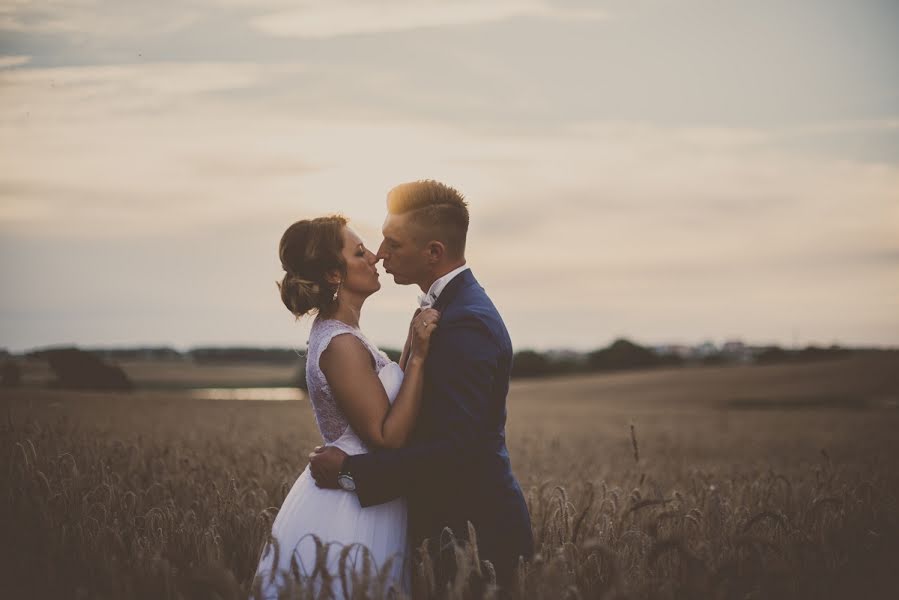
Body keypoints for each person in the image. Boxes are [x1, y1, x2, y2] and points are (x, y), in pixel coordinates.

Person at [309, 180, 534, 592]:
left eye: (392, 244)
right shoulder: (447, 311)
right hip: (447, 533)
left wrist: (350, 473)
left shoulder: (466, 322)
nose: (380, 254)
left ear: (433, 252)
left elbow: (456, 449)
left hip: (475, 536)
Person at [252, 214, 441, 599]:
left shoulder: (348, 335)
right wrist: (420, 357)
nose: (374, 257)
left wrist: (408, 343)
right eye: (359, 252)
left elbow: (384, 396)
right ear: (334, 275)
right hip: (350, 509)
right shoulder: (340, 345)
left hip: (366, 493)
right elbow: (386, 436)